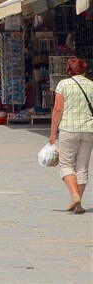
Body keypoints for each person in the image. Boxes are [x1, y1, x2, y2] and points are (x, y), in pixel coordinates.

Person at [49, 57, 93, 214]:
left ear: (68, 70)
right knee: (82, 167)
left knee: (66, 164)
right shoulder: (91, 85)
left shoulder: (63, 84)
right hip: (89, 130)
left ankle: (75, 196)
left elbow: (57, 109)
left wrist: (53, 133)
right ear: (84, 69)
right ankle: (79, 205)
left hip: (69, 129)